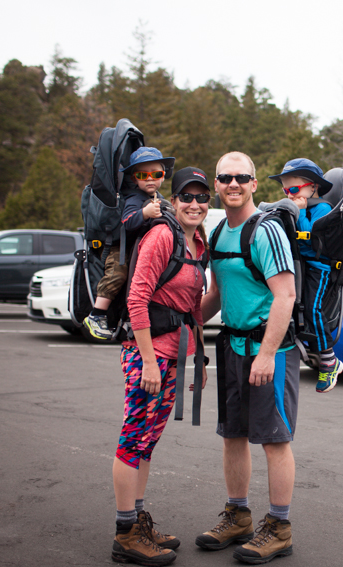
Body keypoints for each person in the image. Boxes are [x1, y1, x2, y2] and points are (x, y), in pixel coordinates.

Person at [197, 151, 298, 564]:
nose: (233, 184)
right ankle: (238, 515)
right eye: (225, 178)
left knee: (275, 440)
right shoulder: (218, 231)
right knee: (233, 436)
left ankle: (279, 527)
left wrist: (267, 354)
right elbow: (218, 296)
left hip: (267, 353)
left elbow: (285, 295)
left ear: (255, 184)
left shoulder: (266, 231)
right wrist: (179, 328)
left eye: (241, 177)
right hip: (231, 348)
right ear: (217, 185)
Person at [111, 167, 211, 566]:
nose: (194, 204)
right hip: (147, 356)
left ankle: (137, 520)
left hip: (174, 355)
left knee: (148, 441)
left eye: (202, 197)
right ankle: (125, 534)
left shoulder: (198, 245)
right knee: (132, 439)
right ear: (173, 200)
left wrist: (200, 358)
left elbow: (192, 309)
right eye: (186, 196)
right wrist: (149, 361)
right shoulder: (161, 236)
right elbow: (137, 299)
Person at [84, 147, 175, 340]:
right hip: (122, 248)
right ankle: (96, 314)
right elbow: (127, 222)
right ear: (135, 179)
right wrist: (145, 213)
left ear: (163, 176)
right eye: (143, 175)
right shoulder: (134, 199)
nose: (150, 179)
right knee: (118, 273)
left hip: (142, 248)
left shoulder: (159, 199)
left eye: (156, 174)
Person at [268, 158, 342, 393]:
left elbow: (311, 240)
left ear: (313, 187)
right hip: (302, 268)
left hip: (318, 268)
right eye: (285, 190)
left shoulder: (321, 209)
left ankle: (330, 359)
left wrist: (299, 213)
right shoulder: (297, 207)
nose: (289, 195)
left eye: (294, 189)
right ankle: (309, 348)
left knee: (312, 309)